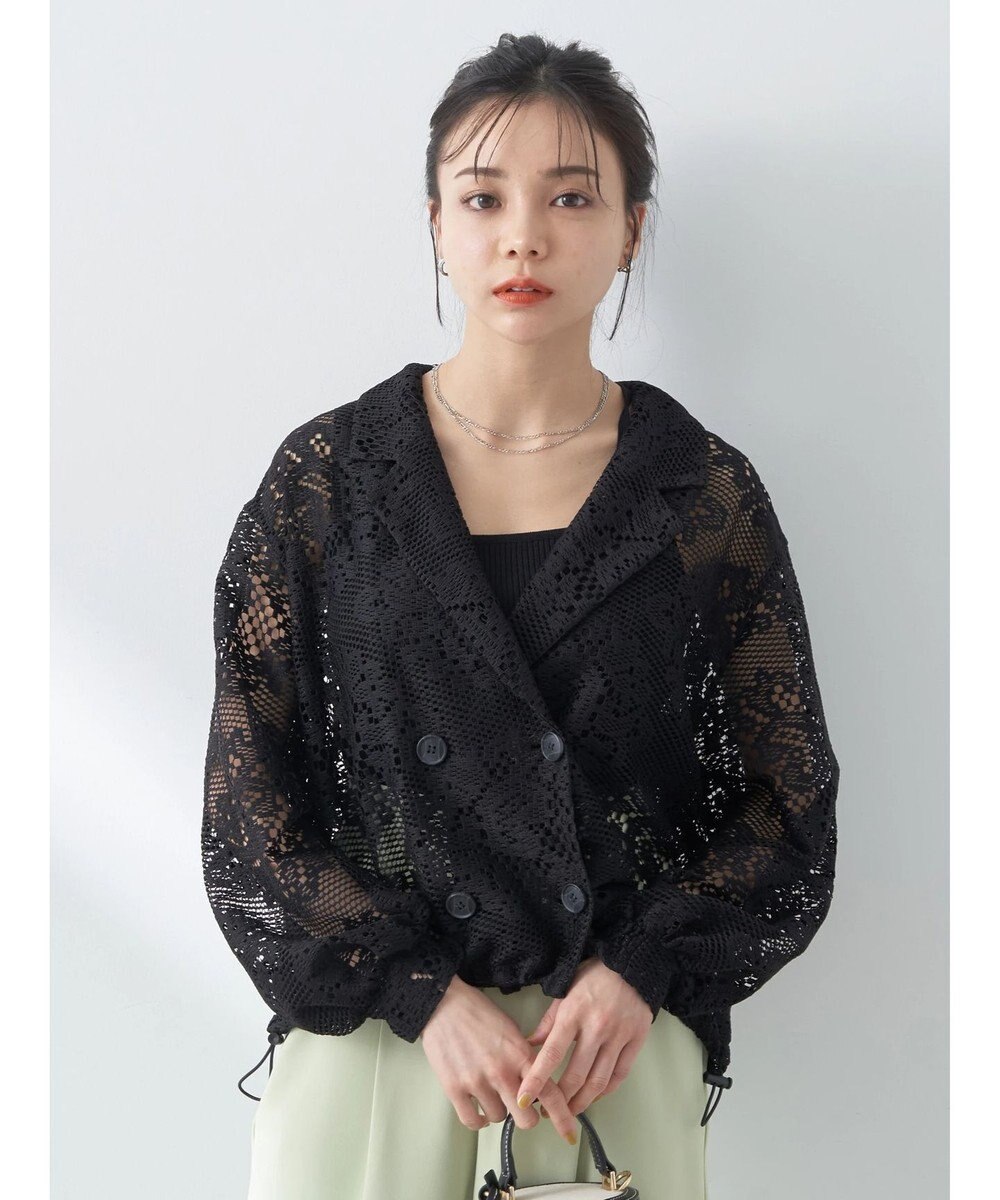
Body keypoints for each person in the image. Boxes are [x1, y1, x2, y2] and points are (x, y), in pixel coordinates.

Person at [201, 32, 840, 1200]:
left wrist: (639, 972)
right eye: (483, 197)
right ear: (436, 224)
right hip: (378, 1053)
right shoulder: (328, 484)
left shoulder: (699, 494)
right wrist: (416, 993)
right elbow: (250, 807)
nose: (523, 237)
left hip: (601, 1058)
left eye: (571, 196)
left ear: (631, 229)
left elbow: (786, 805)